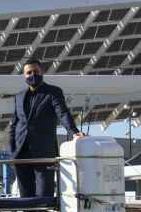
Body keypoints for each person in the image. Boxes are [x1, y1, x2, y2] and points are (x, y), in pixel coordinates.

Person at [8, 59, 85, 197]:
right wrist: (12, 149)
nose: (32, 75)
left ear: (41, 72)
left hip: (43, 152)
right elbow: (14, 124)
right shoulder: (19, 97)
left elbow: (62, 113)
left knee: (44, 194)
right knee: (25, 196)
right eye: (28, 73)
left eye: (35, 71)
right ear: (24, 76)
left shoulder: (53, 92)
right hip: (21, 153)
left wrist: (74, 132)